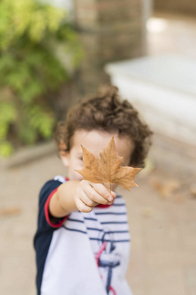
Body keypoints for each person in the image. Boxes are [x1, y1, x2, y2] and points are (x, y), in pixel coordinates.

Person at [34, 85, 152, 295]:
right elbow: (62, 199)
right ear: (64, 152)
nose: (94, 175)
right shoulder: (55, 191)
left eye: (110, 165)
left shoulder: (117, 205)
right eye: (84, 159)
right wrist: (78, 192)